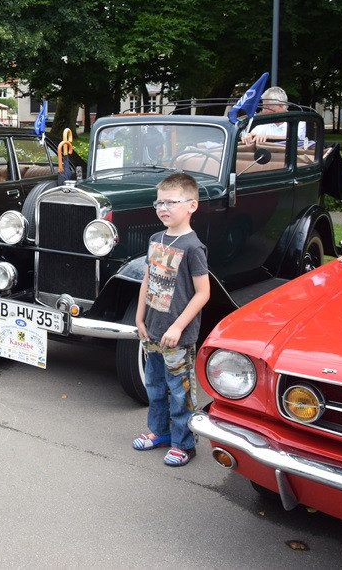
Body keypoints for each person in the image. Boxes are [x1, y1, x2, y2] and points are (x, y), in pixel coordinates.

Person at [132, 172, 210, 467]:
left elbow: (203, 293)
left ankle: (184, 444)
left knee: (180, 392)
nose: (163, 208)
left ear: (192, 205)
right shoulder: (156, 239)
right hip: (152, 331)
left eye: (171, 202)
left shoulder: (193, 247)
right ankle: (160, 432)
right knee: (154, 387)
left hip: (177, 336)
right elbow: (147, 280)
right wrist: (140, 317)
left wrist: (178, 327)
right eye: (159, 202)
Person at [240, 86, 306, 145]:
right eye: (263, 107)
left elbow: (295, 138)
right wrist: (249, 136)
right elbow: (254, 134)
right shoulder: (264, 123)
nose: (264, 111)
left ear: (280, 106)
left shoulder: (298, 121)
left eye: (267, 107)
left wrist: (268, 137)